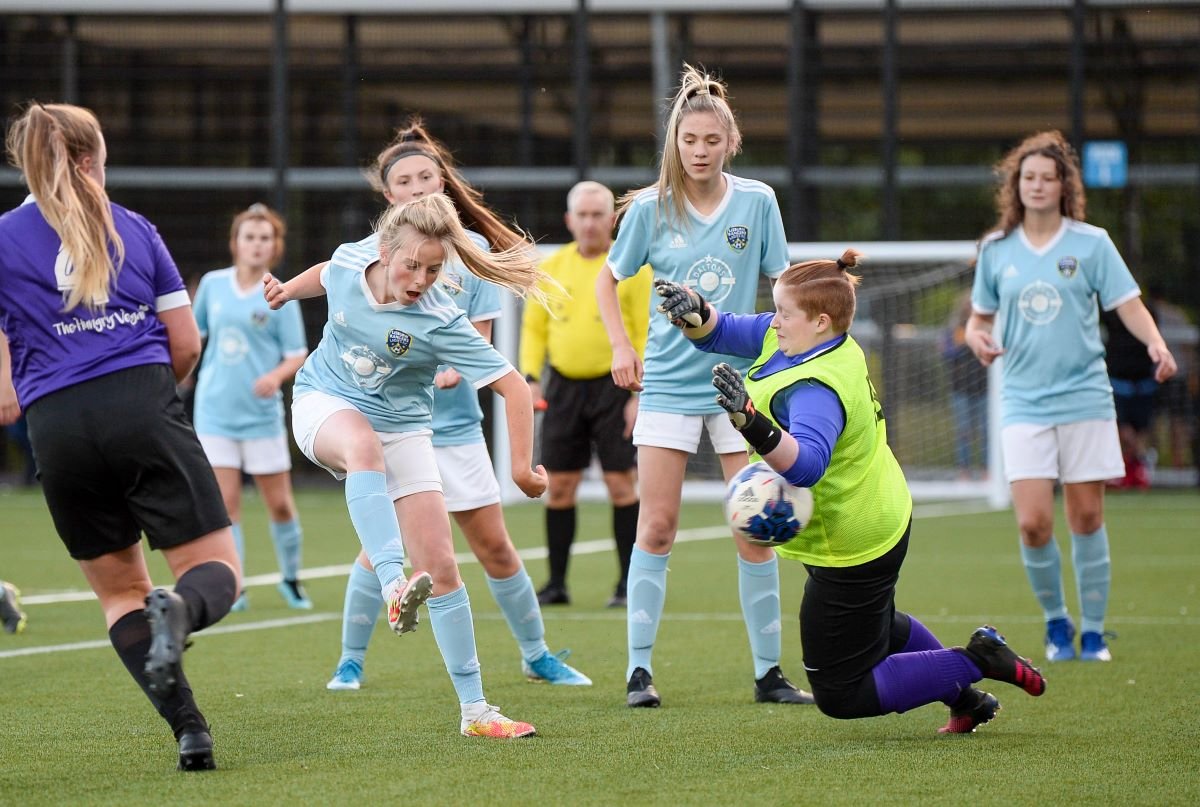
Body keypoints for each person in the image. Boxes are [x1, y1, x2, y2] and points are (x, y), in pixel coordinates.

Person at [653, 249, 1047, 733]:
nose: (773, 321)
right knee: (876, 626)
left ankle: (979, 659)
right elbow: (725, 331)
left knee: (841, 692)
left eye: (782, 314)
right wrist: (696, 310)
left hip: (854, 539)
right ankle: (966, 699)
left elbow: (808, 467)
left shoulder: (815, 387)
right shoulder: (810, 338)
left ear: (819, 321)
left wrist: (750, 423)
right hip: (877, 513)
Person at [0, 103, 241, 770]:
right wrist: (155, 395)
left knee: (117, 594)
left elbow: (3, 393)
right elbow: (185, 343)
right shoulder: (134, 227)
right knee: (214, 572)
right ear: (86, 160)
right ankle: (183, 613)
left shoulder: (0, 238)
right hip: (141, 403)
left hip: (56, 426)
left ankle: (190, 730)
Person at [264, 192, 551, 738]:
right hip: (323, 401)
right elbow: (327, 272)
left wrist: (521, 469)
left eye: (434, 268)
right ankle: (394, 583)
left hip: (405, 428)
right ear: (385, 249)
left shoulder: (440, 318)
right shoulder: (355, 258)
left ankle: (475, 711)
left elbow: (513, 388)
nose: (421, 277)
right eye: (411, 265)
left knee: (442, 570)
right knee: (362, 447)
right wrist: (285, 293)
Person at [323, 120, 590, 692]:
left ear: (444, 181)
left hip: (456, 429)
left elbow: (483, 346)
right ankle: (350, 662)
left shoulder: (472, 258)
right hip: (388, 429)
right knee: (383, 552)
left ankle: (537, 654)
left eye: (428, 176)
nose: (419, 186)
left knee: (493, 545)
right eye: (405, 181)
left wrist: (451, 370)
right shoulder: (363, 261)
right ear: (389, 196)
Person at [595, 64, 811, 707]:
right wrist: (620, 344)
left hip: (741, 390)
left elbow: (783, 287)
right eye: (688, 141)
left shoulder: (757, 202)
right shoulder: (650, 207)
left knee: (758, 523)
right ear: (674, 143)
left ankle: (769, 674)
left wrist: (794, 352)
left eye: (710, 141)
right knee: (656, 526)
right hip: (666, 385)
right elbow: (608, 279)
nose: (698, 151)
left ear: (730, 142)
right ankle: (639, 671)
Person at [965, 130, 1177, 663]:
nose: (1037, 186)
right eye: (1028, 177)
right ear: (1017, 185)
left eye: (1047, 177)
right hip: (1023, 401)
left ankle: (1094, 632)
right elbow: (978, 319)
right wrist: (975, 337)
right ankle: (1057, 624)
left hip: (1085, 396)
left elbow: (1127, 304)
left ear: (1064, 186)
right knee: (1033, 522)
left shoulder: (1091, 243)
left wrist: (1155, 342)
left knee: (1086, 518)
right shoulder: (996, 250)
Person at [520, 180, 650, 609]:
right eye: (583, 215)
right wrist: (530, 377)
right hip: (564, 387)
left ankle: (627, 583)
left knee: (620, 483)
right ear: (569, 220)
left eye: (599, 215)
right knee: (558, 486)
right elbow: (534, 326)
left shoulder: (631, 267)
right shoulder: (551, 266)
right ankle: (556, 583)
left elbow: (646, 330)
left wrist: (638, 393)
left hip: (617, 388)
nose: (591, 223)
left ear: (612, 220)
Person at [192, 204, 310, 610]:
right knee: (226, 505)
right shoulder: (212, 284)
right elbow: (194, 337)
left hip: (261, 418)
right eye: (250, 237)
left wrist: (275, 377)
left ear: (274, 247)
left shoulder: (282, 294)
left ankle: (291, 579)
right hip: (214, 413)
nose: (257, 244)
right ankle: (236, 585)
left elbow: (297, 353)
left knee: (278, 503)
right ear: (235, 243)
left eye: (265, 238)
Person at [1101, 302, 1160, 489]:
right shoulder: (1111, 312)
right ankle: (1129, 466)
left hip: (1143, 382)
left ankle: (1138, 469)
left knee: (1141, 428)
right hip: (1118, 381)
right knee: (1122, 428)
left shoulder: (1147, 313)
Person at [940, 291, 989, 479]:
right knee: (964, 431)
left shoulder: (988, 327)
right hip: (960, 389)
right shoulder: (954, 330)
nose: (971, 308)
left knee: (986, 431)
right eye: (968, 304)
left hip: (984, 388)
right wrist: (962, 343)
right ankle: (964, 471)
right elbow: (945, 352)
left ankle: (987, 471)